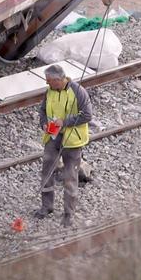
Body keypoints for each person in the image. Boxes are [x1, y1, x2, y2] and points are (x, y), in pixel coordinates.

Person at [35, 64, 93, 228]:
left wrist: (65, 122)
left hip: (72, 141)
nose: (47, 84)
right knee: (47, 171)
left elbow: (87, 115)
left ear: (58, 80)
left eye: (49, 81)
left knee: (69, 177)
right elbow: (43, 110)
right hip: (52, 137)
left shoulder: (78, 91)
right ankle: (47, 207)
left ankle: (69, 214)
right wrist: (44, 123)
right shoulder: (50, 91)